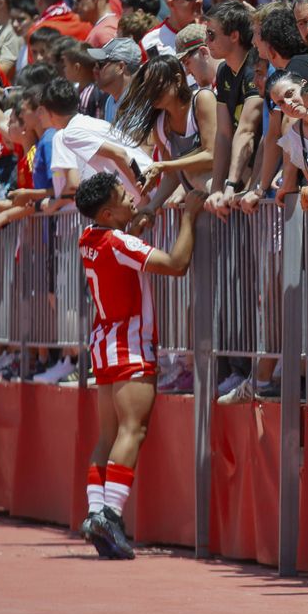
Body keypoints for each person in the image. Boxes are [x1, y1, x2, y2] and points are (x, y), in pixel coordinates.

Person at [73, 171, 202, 558]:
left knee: (107, 435)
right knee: (133, 429)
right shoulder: (119, 241)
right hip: (130, 344)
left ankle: (96, 513)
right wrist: (189, 216)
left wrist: (134, 225)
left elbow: (119, 249)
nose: (133, 199)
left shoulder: (89, 236)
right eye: (124, 198)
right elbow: (176, 264)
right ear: (108, 213)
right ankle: (110, 515)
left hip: (103, 342)